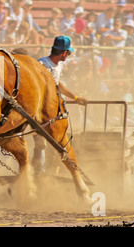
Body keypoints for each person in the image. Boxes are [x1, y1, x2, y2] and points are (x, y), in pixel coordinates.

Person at [33, 35, 87, 173]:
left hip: (54, 109)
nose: (68, 55)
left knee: (55, 142)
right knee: (41, 143)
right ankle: (39, 172)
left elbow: (57, 85)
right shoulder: (41, 64)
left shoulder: (59, 65)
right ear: (63, 53)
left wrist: (75, 97)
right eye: (68, 53)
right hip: (41, 110)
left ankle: (50, 171)